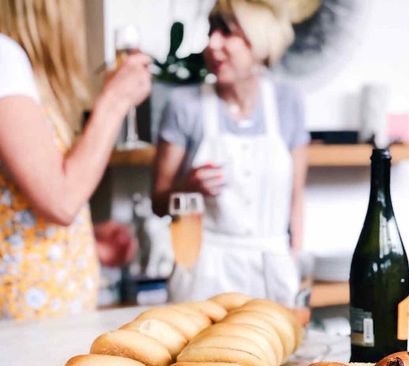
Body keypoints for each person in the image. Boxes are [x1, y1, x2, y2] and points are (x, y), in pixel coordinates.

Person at [0, 0, 151, 320]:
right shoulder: (3, 56)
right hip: (27, 326)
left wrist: (85, 240)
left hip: (39, 318)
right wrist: (115, 100)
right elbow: (61, 201)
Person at [152, 0, 308, 306]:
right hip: (204, 275)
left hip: (273, 272)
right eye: (211, 30)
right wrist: (187, 187)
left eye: (227, 32)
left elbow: (296, 197)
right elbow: (159, 201)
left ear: (260, 42)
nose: (212, 44)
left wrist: (294, 260)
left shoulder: (288, 103)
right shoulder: (185, 107)